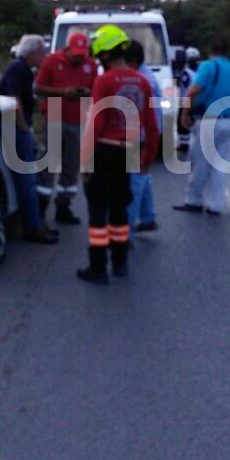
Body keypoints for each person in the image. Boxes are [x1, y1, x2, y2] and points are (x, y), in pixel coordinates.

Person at [77, 26, 160, 284]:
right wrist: (147, 158)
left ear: (106, 53)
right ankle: (120, 261)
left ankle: (98, 267)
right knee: (120, 208)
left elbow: (96, 123)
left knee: (98, 211)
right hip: (130, 150)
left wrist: (86, 160)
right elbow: (152, 126)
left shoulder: (104, 81)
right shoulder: (143, 81)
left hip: (104, 149)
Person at [33, 31, 97, 225]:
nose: (78, 57)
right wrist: (63, 92)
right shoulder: (52, 61)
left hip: (78, 119)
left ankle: (64, 206)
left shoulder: (90, 64)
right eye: (75, 53)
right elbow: (38, 88)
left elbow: (96, 90)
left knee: (71, 165)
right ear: (67, 49)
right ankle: (41, 207)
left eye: (82, 53)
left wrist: (87, 93)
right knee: (48, 164)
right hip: (54, 116)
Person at [174, 40, 230, 216]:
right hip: (227, 121)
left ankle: (194, 199)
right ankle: (215, 205)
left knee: (200, 162)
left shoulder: (208, 67)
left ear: (210, 50)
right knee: (220, 165)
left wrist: (184, 113)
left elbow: (193, 91)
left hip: (208, 120)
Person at [0, 34, 58, 244]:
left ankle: (34, 223)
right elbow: (13, 98)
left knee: (28, 176)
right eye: (42, 51)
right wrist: (24, 128)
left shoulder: (24, 68)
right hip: (15, 128)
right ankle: (33, 227)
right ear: (32, 52)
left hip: (16, 127)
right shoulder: (19, 68)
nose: (44, 55)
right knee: (27, 178)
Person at [123, 41, 160, 233]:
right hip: (143, 137)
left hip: (140, 139)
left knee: (132, 186)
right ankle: (147, 218)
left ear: (133, 61)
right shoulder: (143, 77)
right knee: (142, 178)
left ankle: (125, 234)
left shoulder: (143, 82)